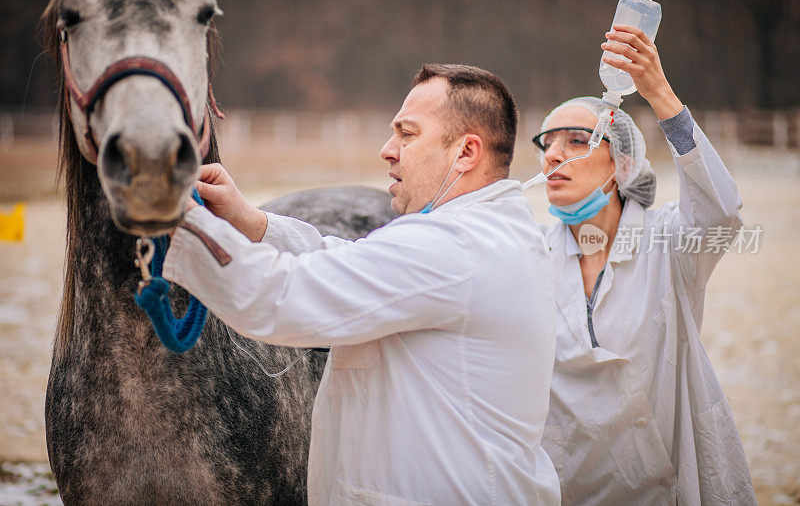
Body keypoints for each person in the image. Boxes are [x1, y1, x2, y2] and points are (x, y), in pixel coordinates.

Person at [163, 64, 561, 504]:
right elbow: (347, 266)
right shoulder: (488, 233)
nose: (387, 150)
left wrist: (177, 218)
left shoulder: (454, 247)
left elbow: (282, 297)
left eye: (407, 134)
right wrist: (253, 223)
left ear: (466, 153)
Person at [532, 24, 756, 504]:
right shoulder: (529, 256)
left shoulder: (671, 244)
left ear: (621, 164)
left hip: (665, 483)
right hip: (566, 488)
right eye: (546, 143)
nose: (552, 155)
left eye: (575, 140)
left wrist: (658, 92)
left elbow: (721, 210)